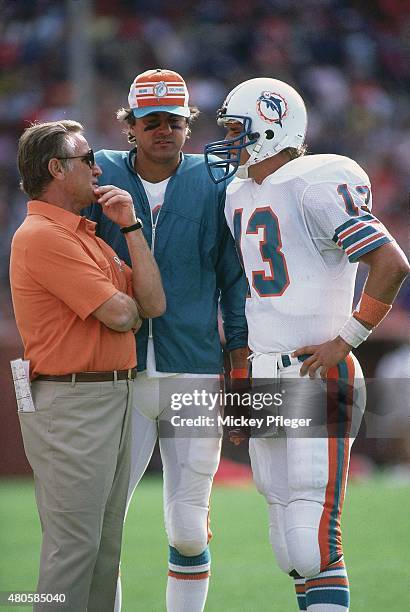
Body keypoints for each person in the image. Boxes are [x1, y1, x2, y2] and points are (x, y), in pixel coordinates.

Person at [205, 78, 409, 611]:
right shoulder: (237, 193)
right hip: (266, 372)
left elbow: (390, 263)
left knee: (312, 538)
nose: (229, 142)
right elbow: (254, 299)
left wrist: (350, 337)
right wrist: (242, 376)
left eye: (237, 131)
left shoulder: (318, 180)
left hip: (316, 372)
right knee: (285, 543)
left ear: (273, 127)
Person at [86, 69, 248, 612]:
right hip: (117, 371)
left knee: (187, 525)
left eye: (174, 122)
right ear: (129, 125)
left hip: (194, 368)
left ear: (188, 125)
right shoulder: (97, 170)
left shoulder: (214, 178)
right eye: (151, 121)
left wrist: (240, 348)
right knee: (101, 524)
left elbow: (233, 275)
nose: (163, 131)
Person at [10, 120, 165, 612]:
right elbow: (122, 313)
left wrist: (132, 227)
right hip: (71, 401)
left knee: (105, 546)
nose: (98, 169)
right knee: (73, 549)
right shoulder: (40, 235)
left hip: (106, 395)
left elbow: (152, 304)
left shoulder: (88, 235)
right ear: (57, 169)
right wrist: (127, 307)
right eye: (86, 159)